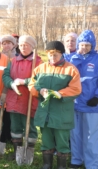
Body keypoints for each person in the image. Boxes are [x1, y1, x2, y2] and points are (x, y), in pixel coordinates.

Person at [29, 41, 81, 169]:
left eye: (56, 54)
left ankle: (61, 166)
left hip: (61, 113)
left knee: (62, 141)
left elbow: (76, 89)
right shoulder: (40, 68)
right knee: (46, 139)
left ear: (62, 54)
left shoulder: (71, 69)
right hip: (44, 112)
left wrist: (60, 94)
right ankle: (47, 164)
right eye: (50, 54)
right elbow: (32, 84)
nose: (53, 57)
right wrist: (39, 90)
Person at [2, 35, 42, 160]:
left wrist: (25, 81)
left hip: (30, 99)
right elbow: (6, 76)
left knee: (30, 127)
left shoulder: (38, 62)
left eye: (26, 45)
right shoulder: (13, 60)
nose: (23, 47)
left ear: (32, 46)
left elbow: (41, 79)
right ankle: (17, 152)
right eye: (21, 45)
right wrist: (11, 83)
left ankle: (29, 151)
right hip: (14, 99)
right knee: (15, 127)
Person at [69, 30, 98, 169]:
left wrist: (97, 96)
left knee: (90, 136)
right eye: (82, 45)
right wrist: (77, 59)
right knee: (75, 133)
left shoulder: (96, 60)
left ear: (92, 46)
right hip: (74, 103)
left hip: (91, 104)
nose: (84, 48)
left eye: (87, 45)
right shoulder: (71, 58)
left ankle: (92, 163)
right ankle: (76, 160)